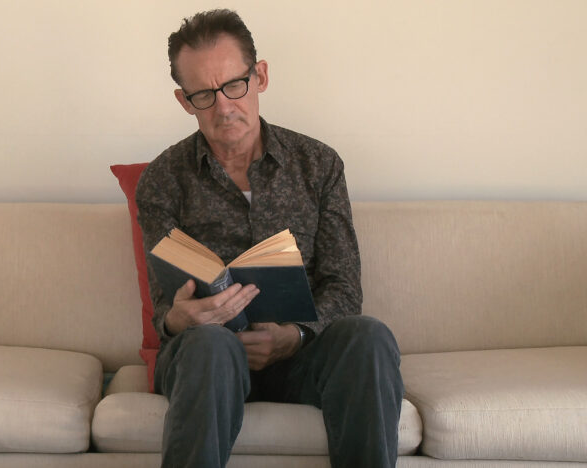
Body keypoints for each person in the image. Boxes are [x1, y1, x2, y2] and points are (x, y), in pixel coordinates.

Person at [135, 9, 404, 468]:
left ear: (259, 76)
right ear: (184, 101)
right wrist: (180, 319)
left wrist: (294, 336)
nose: (223, 107)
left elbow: (344, 288)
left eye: (234, 85)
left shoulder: (319, 165)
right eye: (204, 95)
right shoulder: (163, 180)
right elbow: (166, 308)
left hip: (302, 357)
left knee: (369, 335)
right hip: (207, 357)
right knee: (209, 345)